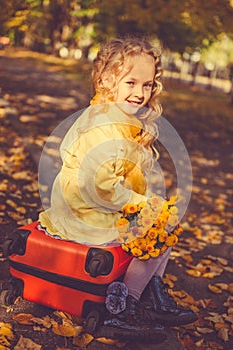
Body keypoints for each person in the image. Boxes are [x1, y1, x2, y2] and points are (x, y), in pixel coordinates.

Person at [38, 37, 197, 340]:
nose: (140, 93)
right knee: (155, 228)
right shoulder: (105, 125)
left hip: (95, 204)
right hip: (83, 211)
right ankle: (123, 308)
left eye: (148, 85)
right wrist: (142, 203)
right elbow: (100, 186)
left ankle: (152, 293)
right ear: (108, 80)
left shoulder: (120, 118)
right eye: (131, 82)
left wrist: (149, 201)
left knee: (164, 219)